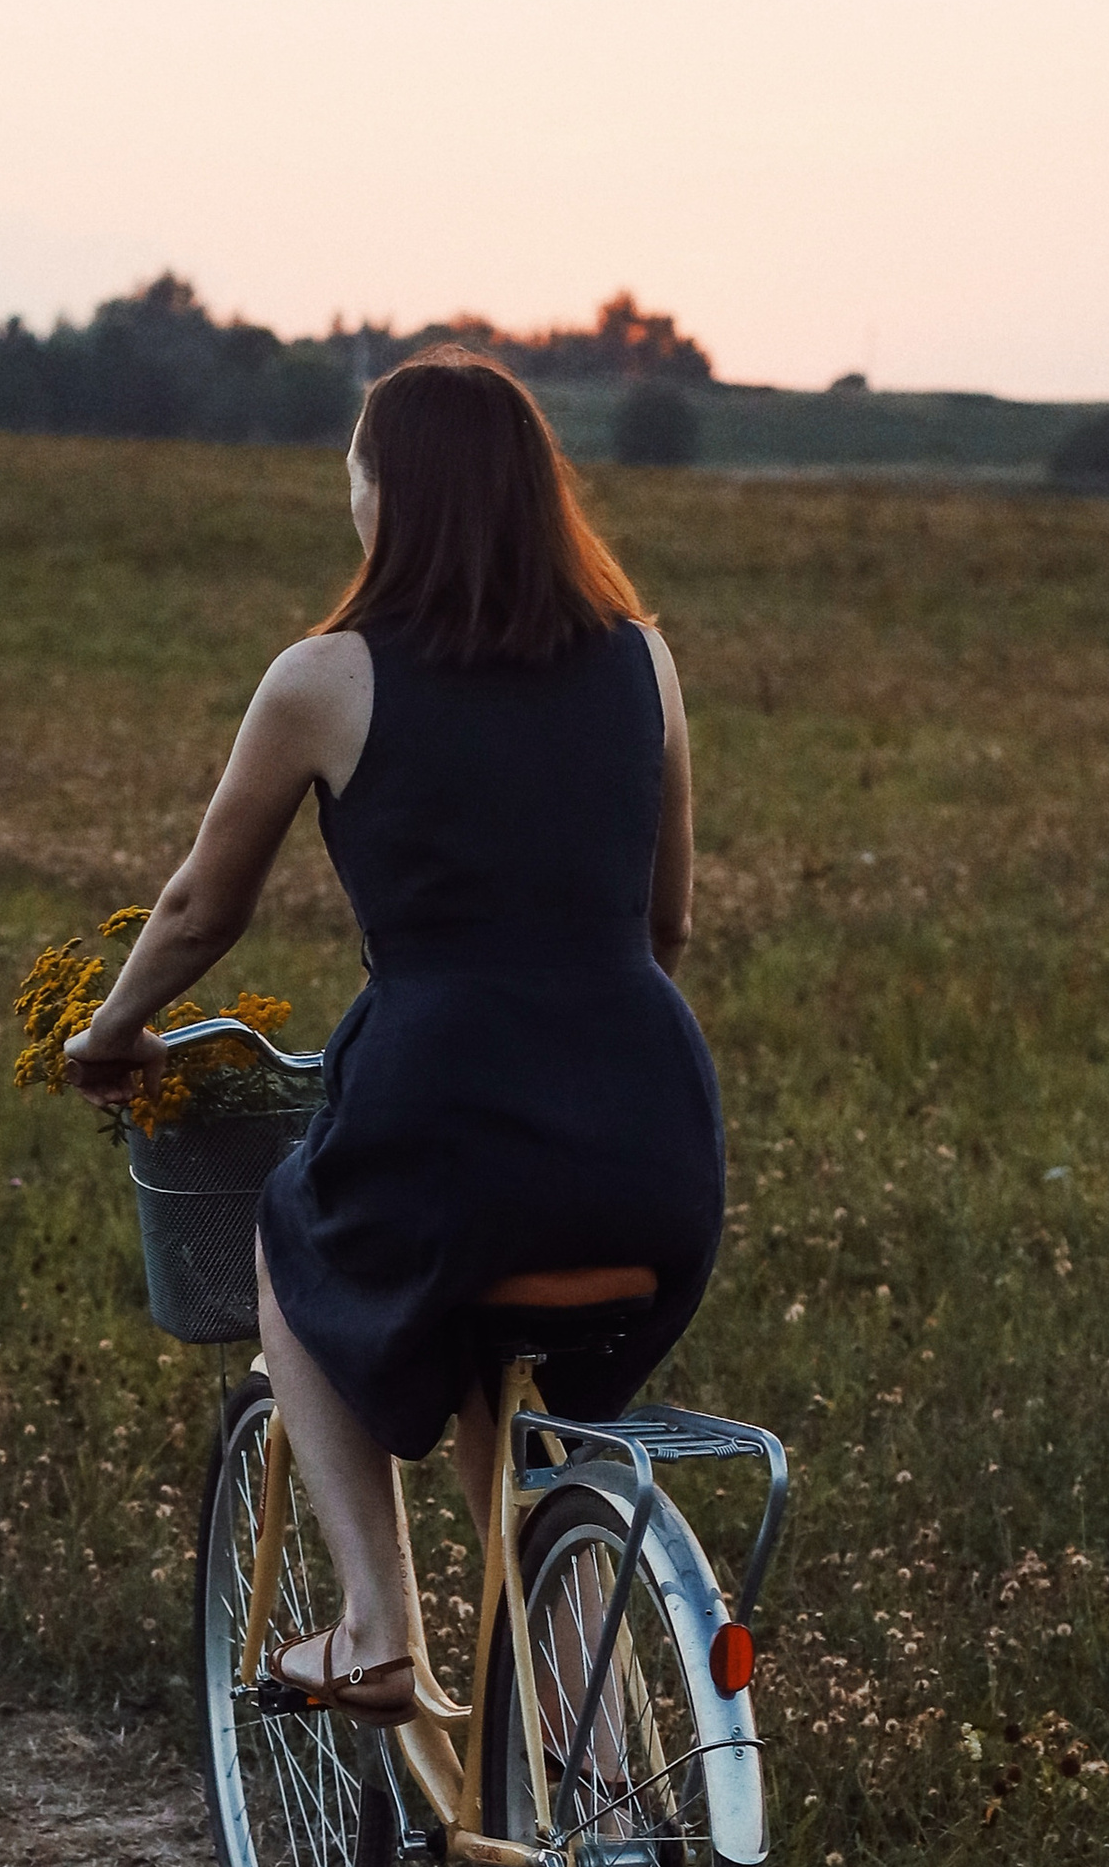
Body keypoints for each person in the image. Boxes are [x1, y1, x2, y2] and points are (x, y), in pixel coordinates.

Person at [64, 347, 722, 1725]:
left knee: (288, 1247)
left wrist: (112, 1032)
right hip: (656, 1143)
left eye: (353, 472)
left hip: (441, 1115)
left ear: (388, 494)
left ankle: (375, 1627)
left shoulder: (325, 679)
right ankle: (603, 1801)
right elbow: (665, 924)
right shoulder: (643, 662)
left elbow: (199, 910)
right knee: (527, 1444)